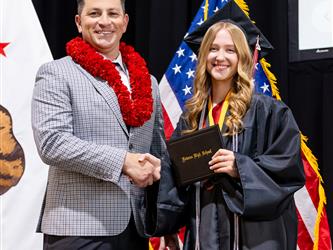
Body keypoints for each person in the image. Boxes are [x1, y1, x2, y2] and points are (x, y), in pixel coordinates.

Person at [140, 2, 305, 250]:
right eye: (213, 49)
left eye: (230, 50)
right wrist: (159, 176)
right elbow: (176, 180)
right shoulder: (192, 116)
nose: (220, 57)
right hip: (204, 233)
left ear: (243, 57)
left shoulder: (269, 111)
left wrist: (240, 167)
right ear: (204, 55)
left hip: (254, 238)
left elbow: (288, 170)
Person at [31, 0, 164, 249]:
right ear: (79, 22)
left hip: (136, 228)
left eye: (113, 13)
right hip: (79, 228)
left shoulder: (149, 82)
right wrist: (123, 162)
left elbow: (157, 150)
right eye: (94, 13)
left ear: (124, 23)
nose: (104, 21)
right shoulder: (55, 73)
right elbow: (52, 143)